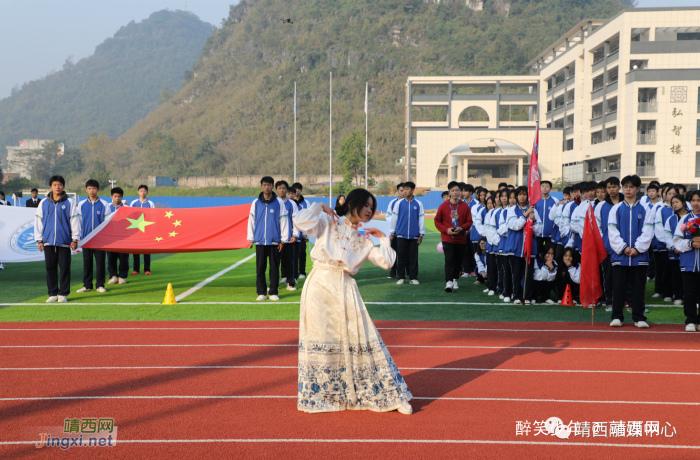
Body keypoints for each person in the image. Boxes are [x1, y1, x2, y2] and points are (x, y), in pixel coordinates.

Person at [293, 188, 413, 414]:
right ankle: (327, 394)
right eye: (366, 205)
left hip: (345, 288)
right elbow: (300, 222)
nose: (369, 210)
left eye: (372, 207)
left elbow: (387, 263)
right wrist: (319, 206)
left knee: (363, 337)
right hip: (318, 286)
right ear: (352, 203)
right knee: (322, 339)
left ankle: (389, 395)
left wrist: (384, 239)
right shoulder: (328, 223)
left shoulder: (364, 240)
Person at [608, 175, 654, 328]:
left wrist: (637, 248)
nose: (628, 189)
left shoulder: (646, 209)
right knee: (618, 288)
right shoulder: (615, 209)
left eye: (631, 187)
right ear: (622, 188)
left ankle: (639, 317)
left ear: (637, 189)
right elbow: (612, 230)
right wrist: (623, 247)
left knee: (639, 288)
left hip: (639, 256)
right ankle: (617, 317)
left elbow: (648, 230)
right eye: (625, 186)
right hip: (619, 256)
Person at [34, 175, 81, 303]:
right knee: (50, 268)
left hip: (65, 241)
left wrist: (75, 238)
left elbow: (74, 221)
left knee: (65, 267)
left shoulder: (69, 202)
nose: (57, 187)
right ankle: (52, 293)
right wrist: (39, 240)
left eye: (60, 184)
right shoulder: (43, 203)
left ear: (64, 186)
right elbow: (38, 221)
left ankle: (63, 294)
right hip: (48, 241)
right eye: (55, 185)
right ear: (50, 187)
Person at [247, 176, 290, 301]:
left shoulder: (279, 202)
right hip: (260, 241)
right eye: (264, 185)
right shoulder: (255, 203)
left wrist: (283, 240)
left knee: (274, 268)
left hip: (274, 241)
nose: (267, 187)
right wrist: (251, 238)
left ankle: (273, 292)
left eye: (269, 185)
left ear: (272, 187)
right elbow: (251, 221)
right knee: (260, 268)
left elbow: (284, 221)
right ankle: (261, 293)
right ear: (261, 186)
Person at [505, 186, 542, 305]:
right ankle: (517, 296)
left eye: (524, 194)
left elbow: (539, 230)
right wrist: (525, 215)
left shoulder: (534, 210)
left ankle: (528, 296)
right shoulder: (511, 210)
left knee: (528, 274)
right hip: (516, 248)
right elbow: (514, 225)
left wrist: (534, 220)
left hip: (530, 247)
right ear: (516, 196)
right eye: (520, 194)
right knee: (516, 274)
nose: (522, 197)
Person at [434, 181, 472, 292]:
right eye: (453, 190)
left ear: (460, 192)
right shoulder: (443, 206)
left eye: (457, 190)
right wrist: (446, 230)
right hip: (447, 238)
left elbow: (469, 221)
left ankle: (455, 278)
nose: (455, 193)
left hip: (460, 239)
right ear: (449, 192)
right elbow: (437, 221)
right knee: (449, 260)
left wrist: (462, 228)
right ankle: (449, 281)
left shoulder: (465, 206)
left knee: (458, 261)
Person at [672, 190, 700, 332]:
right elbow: (676, 241)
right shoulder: (685, 219)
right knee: (689, 292)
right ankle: (690, 320)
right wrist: (691, 244)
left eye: (699, 200)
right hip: (688, 262)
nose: (696, 203)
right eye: (693, 200)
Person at [77, 179, 110, 294]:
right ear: (86, 189)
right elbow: (78, 222)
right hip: (86, 239)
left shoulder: (104, 204)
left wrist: (104, 237)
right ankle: (87, 285)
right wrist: (78, 237)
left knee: (100, 263)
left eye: (94, 188)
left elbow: (107, 223)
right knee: (87, 263)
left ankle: (100, 285)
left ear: (98, 189)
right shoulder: (81, 204)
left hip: (100, 240)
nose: (92, 190)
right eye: (89, 188)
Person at [390, 181, 425, 285]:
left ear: (412, 190)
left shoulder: (418, 204)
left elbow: (421, 219)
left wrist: (421, 234)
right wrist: (392, 232)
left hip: (414, 236)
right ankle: (401, 277)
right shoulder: (398, 203)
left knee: (413, 258)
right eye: (404, 189)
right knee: (401, 257)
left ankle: (413, 277)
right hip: (401, 235)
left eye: (407, 189)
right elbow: (394, 219)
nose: (405, 191)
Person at [595, 177, 622, 310]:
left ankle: (626, 301)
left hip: (625, 247)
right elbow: (597, 226)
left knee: (625, 276)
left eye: (614, 187)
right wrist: (602, 243)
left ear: (619, 187)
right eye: (609, 187)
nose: (612, 189)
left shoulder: (626, 203)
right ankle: (610, 302)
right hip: (607, 247)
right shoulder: (600, 205)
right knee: (609, 276)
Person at [654, 185, 676, 302]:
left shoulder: (683, 209)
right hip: (665, 246)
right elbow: (659, 228)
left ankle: (678, 293)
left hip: (680, 247)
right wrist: (670, 244)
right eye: (670, 193)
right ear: (665, 196)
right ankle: (667, 292)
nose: (672, 196)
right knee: (666, 270)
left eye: (674, 193)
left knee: (677, 271)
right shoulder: (662, 209)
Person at [276, 181, 299, 291]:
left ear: (287, 190)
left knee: (289, 261)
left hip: (289, 238)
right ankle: (274, 284)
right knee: (274, 262)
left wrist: (295, 234)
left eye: (284, 188)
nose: (282, 190)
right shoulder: (272, 203)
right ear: (276, 190)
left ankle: (290, 283)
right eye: (279, 188)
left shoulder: (292, 204)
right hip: (275, 238)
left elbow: (295, 220)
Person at [664, 193, 686, 306]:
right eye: (672, 203)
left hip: (690, 253)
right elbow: (667, 236)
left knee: (690, 276)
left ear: (684, 203)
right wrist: (673, 248)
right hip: (675, 253)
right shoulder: (670, 219)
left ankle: (691, 297)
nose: (674, 204)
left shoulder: (692, 218)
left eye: (677, 202)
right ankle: (678, 297)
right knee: (676, 276)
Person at [130, 185, 156, 275]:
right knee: (136, 250)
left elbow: (153, 216)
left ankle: (147, 269)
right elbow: (129, 214)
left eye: (144, 191)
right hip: (135, 230)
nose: (143, 193)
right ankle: (136, 270)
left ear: (147, 192)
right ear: (138, 192)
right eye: (141, 191)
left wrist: (152, 229)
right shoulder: (133, 203)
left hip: (147, 230)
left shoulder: (151, 203)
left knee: (146, 250)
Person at [106, 187, 129, 285]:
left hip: (123, 238)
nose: (117, 198)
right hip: (110, 238)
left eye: (119, 196)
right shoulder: (106, 207)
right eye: (115, 196)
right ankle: (113, 276)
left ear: (122, 197)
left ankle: (122, 277)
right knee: (111, 257)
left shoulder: (127, 208)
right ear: (111, 196)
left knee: (123, 258)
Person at [497, 189, 516, 302]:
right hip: (506, 245)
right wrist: (513, 227)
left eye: (514, 197)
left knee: (516, 270)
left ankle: (515, 291)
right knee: (507, 270)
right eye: (510, 197)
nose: (512, 200)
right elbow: (501, 229)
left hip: (517, 245)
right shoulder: (504, 212)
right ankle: (506, 292)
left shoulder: (520, 211)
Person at [570, 181, 597, 257]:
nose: (589, 193)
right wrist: (586, 237)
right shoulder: (583, 205)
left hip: (597, 240)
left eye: (592, 190)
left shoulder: (600, 204)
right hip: (584, 240)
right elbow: (580, 224)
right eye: (587, 191)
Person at [386, 183, 405, 279]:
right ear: (397, 191)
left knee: (405, 253)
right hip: (396, 233)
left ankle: (407, 272)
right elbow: (388, 216)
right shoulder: (392, 203)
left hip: (406, 233)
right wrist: (395, 222)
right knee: (393, 253)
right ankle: (392, 272)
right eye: (401, 190)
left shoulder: (411, 202)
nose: (403, 192)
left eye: (405, 190)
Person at [292, 182, 309, 280]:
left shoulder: (306, 203)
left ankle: (302, 272)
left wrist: (305, 234)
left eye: (299, 189)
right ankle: (290, 274)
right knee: (290, 255)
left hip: (302, 232)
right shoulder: (290, 201)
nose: (297, 191)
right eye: (295, 189)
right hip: (291, 233)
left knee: (302, 253)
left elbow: (308, 218)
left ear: (301, 190)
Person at [483, 195, 499, 295]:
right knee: (490, 266)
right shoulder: (490, 213)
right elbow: (487, 229)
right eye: (488, 203)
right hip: (490, 244)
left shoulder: (499, 211)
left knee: (497, 267)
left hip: (498, 244)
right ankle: (491, 286)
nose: (489, 205)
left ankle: (495, 286)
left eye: (491, 203)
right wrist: (491, 241)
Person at [534, 180, 557, 250]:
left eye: (547, 186)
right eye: (543, 186)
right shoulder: (535, 200)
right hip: (537, 234)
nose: (545, 188)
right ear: (539, 188)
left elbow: (557, 217)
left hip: (550, 234)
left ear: (550, 188)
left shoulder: (555, 201)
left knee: (549, 254)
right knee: (537, 254)